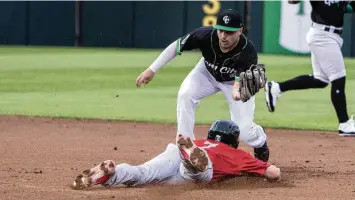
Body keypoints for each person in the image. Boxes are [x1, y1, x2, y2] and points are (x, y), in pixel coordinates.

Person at [135, 9, 270, 162]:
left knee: (245, 131)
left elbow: (237, 87)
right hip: (206, 72)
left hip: (233, 83)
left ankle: (259, 139)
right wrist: (152, 69)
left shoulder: (248, 52)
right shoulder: (205, 35)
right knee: (186, 94)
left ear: (240, 31)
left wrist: (238, 93)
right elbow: (177, 46)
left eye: (229, 32)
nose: (224, 36)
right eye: (221, 31)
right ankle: (186, 148)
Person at [72, 120, 281, 190]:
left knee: (144, 172)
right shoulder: (238, 155)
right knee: (197, 174)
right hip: (202, 166)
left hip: (173, 152)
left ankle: (111, 174)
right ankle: (192, 160)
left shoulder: (201, 141)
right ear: (233, 140)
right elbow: (273, 173)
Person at [265, 1, 355, 136]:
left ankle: (277, 87)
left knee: (320, 80)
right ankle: (344, 123)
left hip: (331, 36)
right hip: (322, 35)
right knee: (338, 78)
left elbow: (346, 8)